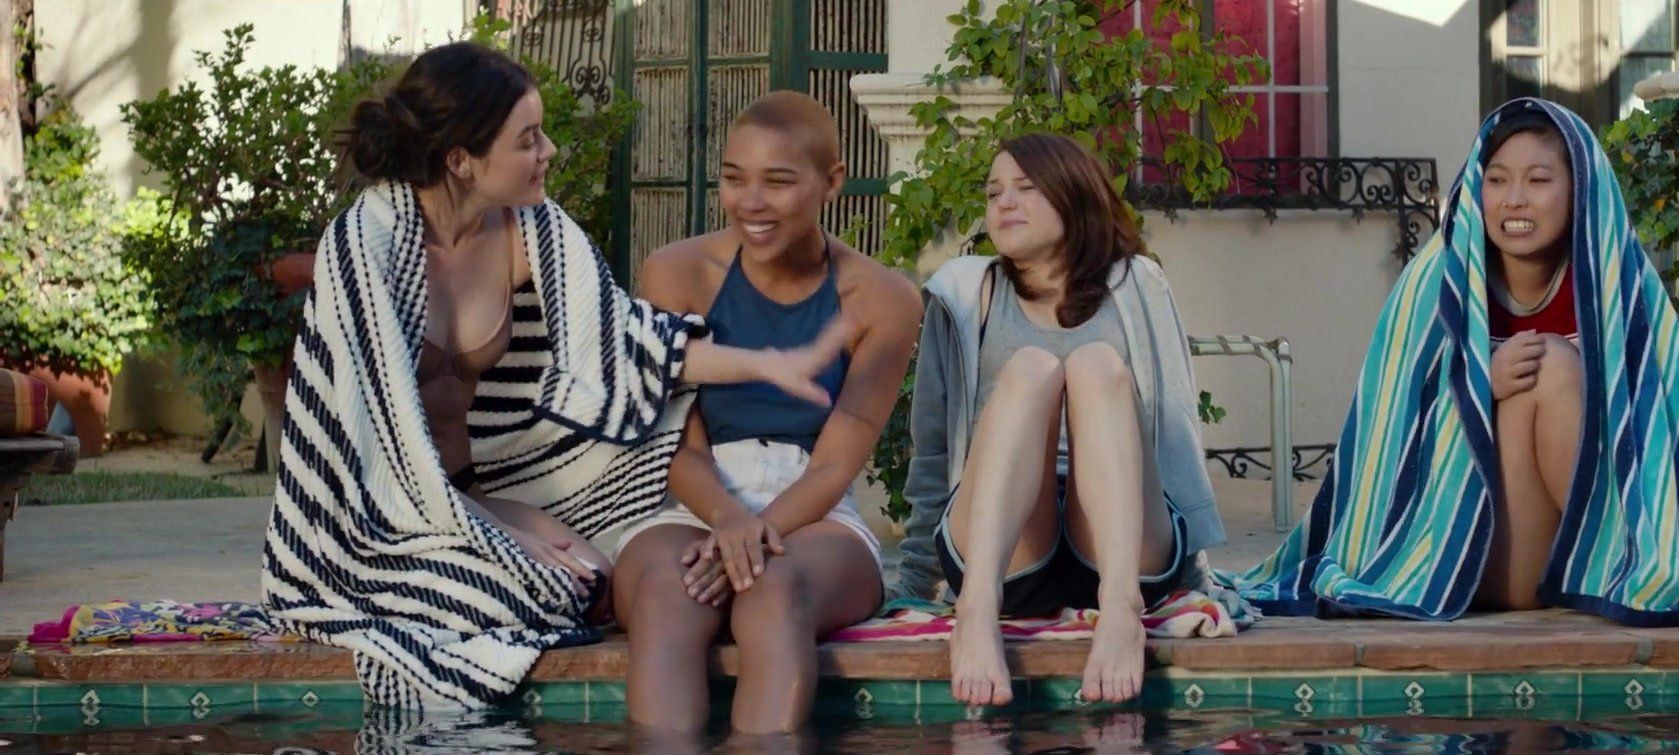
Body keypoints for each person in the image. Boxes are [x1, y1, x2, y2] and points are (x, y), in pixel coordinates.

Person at [261, 43, 849, 708]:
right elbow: (375, 440)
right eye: (528, 140)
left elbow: (626, 343)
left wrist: (769, 363)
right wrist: (505, 538)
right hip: (377, 513)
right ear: (461, 160)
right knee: (519, 587)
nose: (549, 152)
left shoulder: (533, 230)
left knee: (588, 582)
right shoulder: (366, 241)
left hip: (474, 491)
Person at [1225, 98, 1679, 625]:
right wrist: (1477, 387)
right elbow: (1387, 436)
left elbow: (1676, 406)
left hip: (1567, 550)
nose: (1514, 199)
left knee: (1555, 366)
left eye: (1538, 180)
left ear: (1580, 189)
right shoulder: (1437, 283)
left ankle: (1634, 564)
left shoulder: (1614, 282)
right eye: (1496, 180)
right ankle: (1628, 569)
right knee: (1550, 364)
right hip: (1460, 556)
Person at [613, 91, 921, 735]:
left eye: (777, 182)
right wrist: (727, 520)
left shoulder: (882, 298)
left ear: (832, 181)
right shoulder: (676, 272)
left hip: (814, 513)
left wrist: (753, 537)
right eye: (734, 179)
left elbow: (838, 460)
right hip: (691, 503)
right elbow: (675, 442)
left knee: (774, 592)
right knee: (670, 592)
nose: (750, 202)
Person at [891, 133, 1226, 707]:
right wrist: (918, 582)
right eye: (993, 192)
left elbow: (1174, 430)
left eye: (1025, 187)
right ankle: (976, 613)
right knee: (1032, 368)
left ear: (1073, 195)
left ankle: (1121, 611)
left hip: (1121, 547)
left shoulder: (1137, 286)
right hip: (1006, 549)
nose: (1004, 202)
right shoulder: (965, 294)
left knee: (1096, 365)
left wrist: (1196, 578)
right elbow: (935, 449)